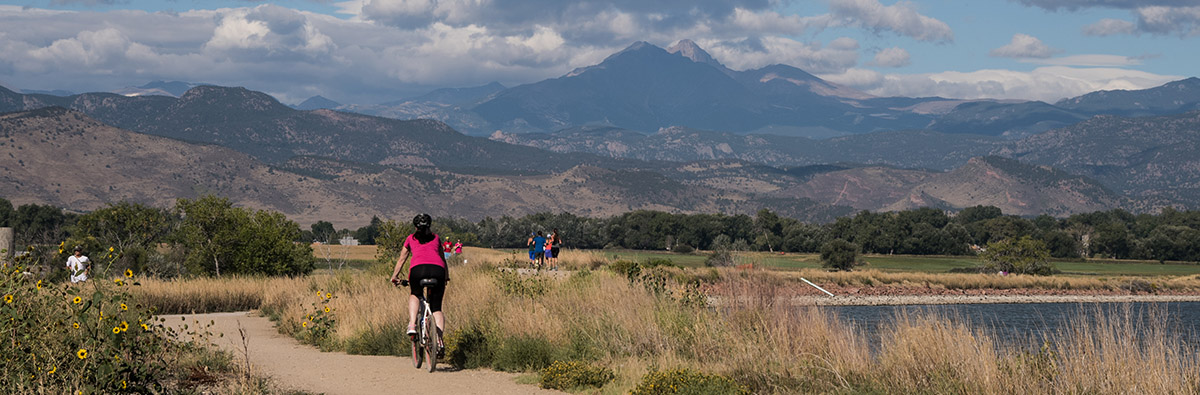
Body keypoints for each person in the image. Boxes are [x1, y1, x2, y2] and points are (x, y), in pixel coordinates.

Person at [390, 214, 449, 354]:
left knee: (415, 294)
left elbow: (401, 260)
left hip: (418, 271)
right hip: (438, 271)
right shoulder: (436, 238)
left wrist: (394, 276)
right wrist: (446, 277)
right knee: (436, 308)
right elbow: (443, 259)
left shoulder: (410, 239)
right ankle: (439, 341)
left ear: (415, 227)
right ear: (430, 225)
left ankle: (412, 325)